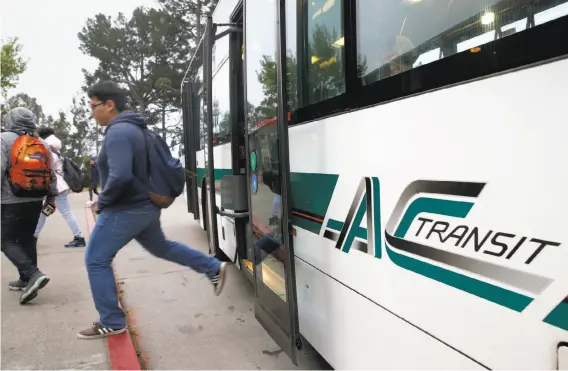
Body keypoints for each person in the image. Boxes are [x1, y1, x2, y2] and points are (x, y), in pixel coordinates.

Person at [78, 80, 228, 339]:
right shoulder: (137, 129)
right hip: (146, 207)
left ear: (109, 104)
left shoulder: (117, 132)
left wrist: (102, 201)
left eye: (93, 106)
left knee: (96, 259)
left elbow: (121, 175)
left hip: (126, 209)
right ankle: (212, 267)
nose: (91, 113)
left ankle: (112, 322)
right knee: (162, 247)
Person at [1, 108, 56, 303]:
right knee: (26, 238)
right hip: (36, 198)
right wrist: (51, 197)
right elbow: (51, 172)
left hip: (11, 200)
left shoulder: (3, 139)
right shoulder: (41, 143)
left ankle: (33, 274)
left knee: (5, 241)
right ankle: (26, 279)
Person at [33, 127, 86, 248]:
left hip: (56, 188)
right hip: (58, 187)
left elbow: (47, 170)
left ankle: (79, 237)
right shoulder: (55, 150)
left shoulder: (50, 152)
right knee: (45, 212)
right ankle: (34, 236)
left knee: (65, 212)